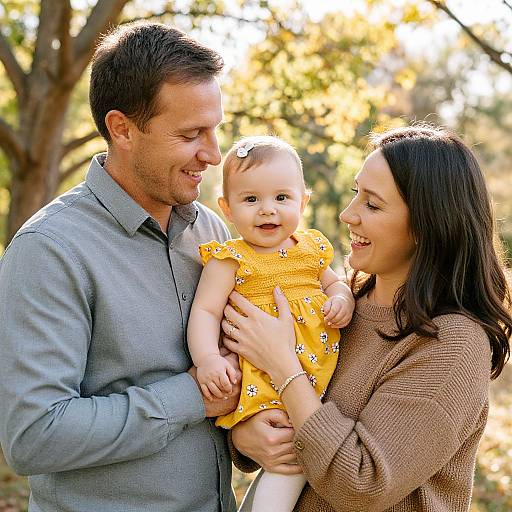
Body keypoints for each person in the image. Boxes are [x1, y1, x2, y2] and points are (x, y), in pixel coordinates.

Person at [0, 21, 240, 512]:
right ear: (122, 128)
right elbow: (34, 436)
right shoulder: (50, 250)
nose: (213, 155)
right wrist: (190, 397)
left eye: (214, 130)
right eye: (191, 134)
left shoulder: (213, 233)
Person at [223, 124, 512, 512]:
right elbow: (278, 410)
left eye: (372, 204)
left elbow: (363, 483)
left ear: (427, 225)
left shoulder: (452, 344)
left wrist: (282, 366)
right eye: (355, 193)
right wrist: (244, 436)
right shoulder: (340, 304)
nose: (347, 215)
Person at [187, 136, 355, 512]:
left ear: (303, 201)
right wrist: (208, 359)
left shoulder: (310, 248)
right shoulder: (231, 259)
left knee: (303, 455)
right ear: (227, 209)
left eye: (282, 198)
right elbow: (205, 312)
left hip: (319, 384)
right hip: (267, 384)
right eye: (251, 200)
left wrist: (342, 298)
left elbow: (335, 283)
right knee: (287, 460)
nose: (268, 211)